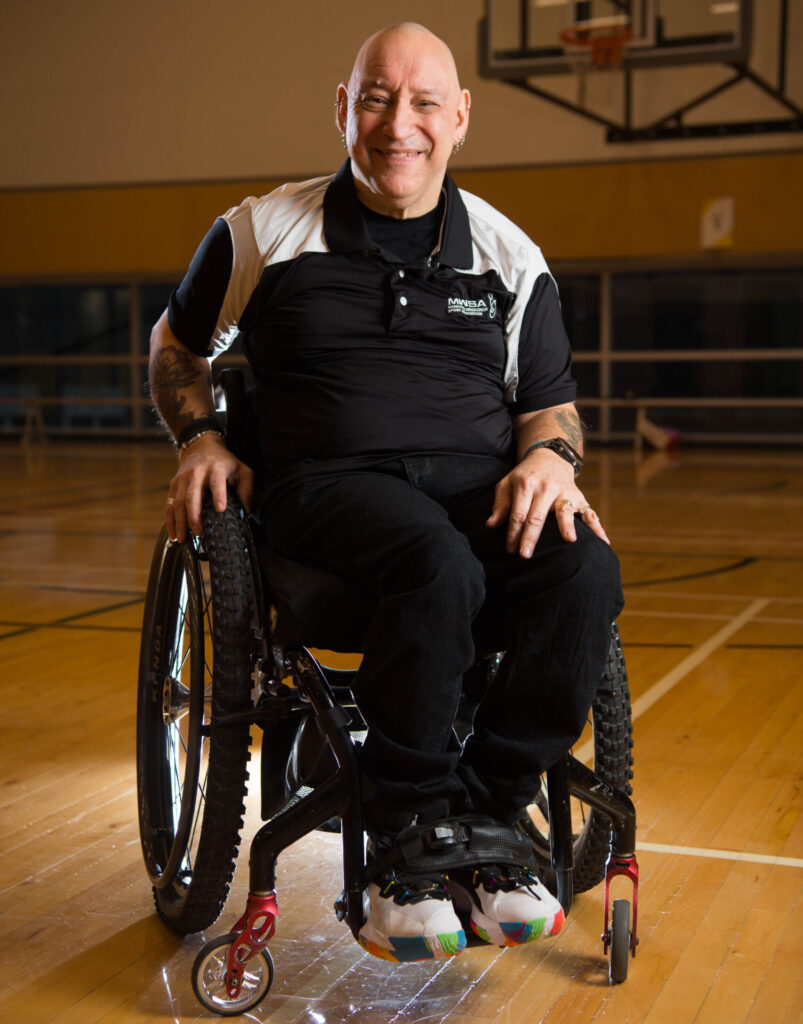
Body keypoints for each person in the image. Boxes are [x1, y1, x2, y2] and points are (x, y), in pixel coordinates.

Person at [148, 22, 623, 964]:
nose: (396, 124)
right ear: (342, 109)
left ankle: (485, 818)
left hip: (473, 492)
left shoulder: (506, 253)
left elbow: (551, 406)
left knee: (583, 574)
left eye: (420, 103)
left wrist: (551, 461)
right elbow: (176, 344)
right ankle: (407, 833)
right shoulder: (261, 230)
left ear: (459, 119)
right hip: (328, 494)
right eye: (374, 98)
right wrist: (201, 436)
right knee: (433, 561)